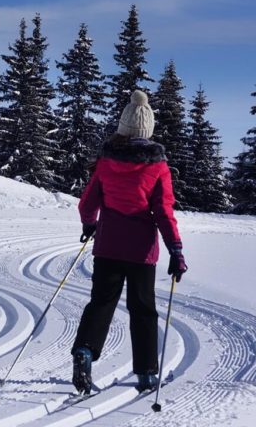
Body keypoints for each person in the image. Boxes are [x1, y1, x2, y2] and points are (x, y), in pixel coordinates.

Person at [71, 90, 188, 393]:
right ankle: (147, 373)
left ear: (123, 126)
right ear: (147, 130)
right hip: (141, 252)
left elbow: (87, 203)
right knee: (143, 309)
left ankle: (84, 350)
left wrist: (89, 224)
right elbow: (163, 211)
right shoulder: (157, 167)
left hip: (108, 246)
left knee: (102, 302)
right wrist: (176, 250)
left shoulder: (106, 162)